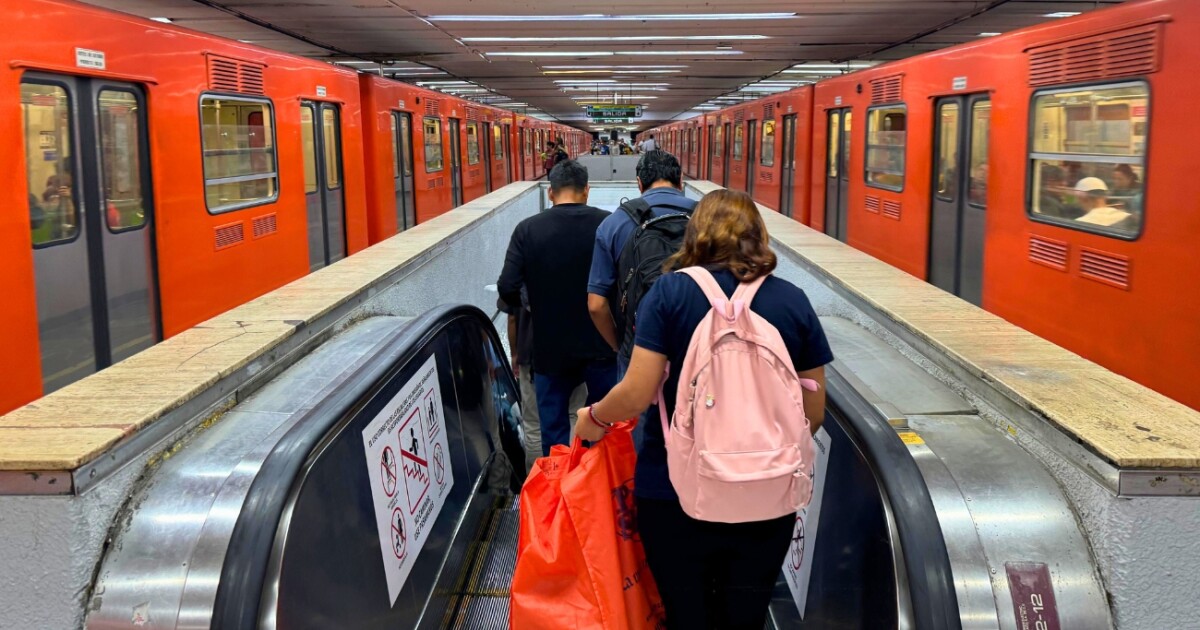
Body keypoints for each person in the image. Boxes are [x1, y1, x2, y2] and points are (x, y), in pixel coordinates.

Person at [574, 189, 832, 629]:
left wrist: (594, 417)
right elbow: (814, 411)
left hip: (673, 491)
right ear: (759, 235)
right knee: (746, 617)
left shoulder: (669, 294)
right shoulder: (792, 300)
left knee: (686, 614)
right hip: (768, 496)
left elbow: (637, 393)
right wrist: (755, 451)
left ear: (694, 235)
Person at [497, 160, 617, 454]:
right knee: (603, 425)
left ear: (550, 192)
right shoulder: (608, 224)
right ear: (586, 190)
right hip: (600, 345)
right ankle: (597, 476)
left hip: (549, 348)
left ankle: (559, 480)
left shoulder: (527, 230)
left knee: (553, 432)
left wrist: (537, 304)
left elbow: (507, 287)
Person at [588, 149, 697, 375]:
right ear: (681, 179)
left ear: (639, 183)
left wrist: (621, 345)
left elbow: (596, 305)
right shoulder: (707, 218)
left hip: (637, 354)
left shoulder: (615, 224)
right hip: (697, 350)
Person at [497, 286, 587, 472]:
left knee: (534, 425)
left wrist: (515, 354)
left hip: (532, 356)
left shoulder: (520, 270)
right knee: (573, 414)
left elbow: (512, 317)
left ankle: (540, 478)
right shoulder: (577, 265)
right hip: (573, 352)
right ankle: (572, 473)